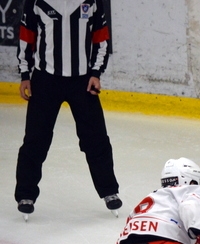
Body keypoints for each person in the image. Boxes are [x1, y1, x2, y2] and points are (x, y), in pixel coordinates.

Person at [15, 0, 121, 219]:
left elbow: (100, 38)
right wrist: (25, 75)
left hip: (82, 82)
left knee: (96, 139)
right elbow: (27, 36)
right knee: (35, 140)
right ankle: (26, 195)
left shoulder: (91, 2)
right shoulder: (36, 2)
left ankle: (109, 191)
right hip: (45, 81)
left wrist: (95, 73)